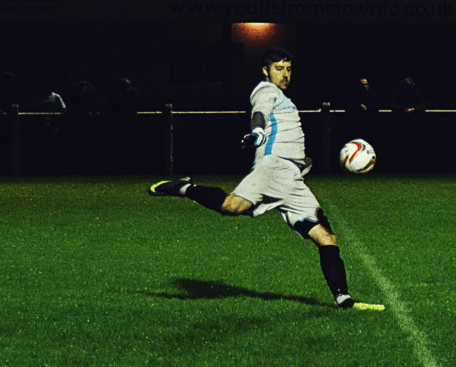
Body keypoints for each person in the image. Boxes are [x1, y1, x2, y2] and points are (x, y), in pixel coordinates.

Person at [148, 48, 383, 311]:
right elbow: (260, 111)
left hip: (293, 178)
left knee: (327, 238)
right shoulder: (266, 91)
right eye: (279, 68)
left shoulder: (284, 97)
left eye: (289, 68)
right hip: (273, 166)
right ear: (265, 71)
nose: (285, 74)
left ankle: (345, 301)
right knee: (231, 207)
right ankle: (184, 188)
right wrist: (257, 131)